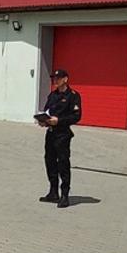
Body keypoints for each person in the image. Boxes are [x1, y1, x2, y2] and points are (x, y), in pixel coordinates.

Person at [38, 68, 83, 208]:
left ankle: (64, 195)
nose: (55, 81)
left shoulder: (73, 96)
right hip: (51, 134)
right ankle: (53, 192)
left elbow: (76, 116)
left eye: (58, 78)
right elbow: (46, 111)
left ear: (65, 79)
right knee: (49, 161)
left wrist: (59, 121)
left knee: (63, 163)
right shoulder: (53, 95)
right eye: (54, 78)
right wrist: (43, 120)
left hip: (63, 134)